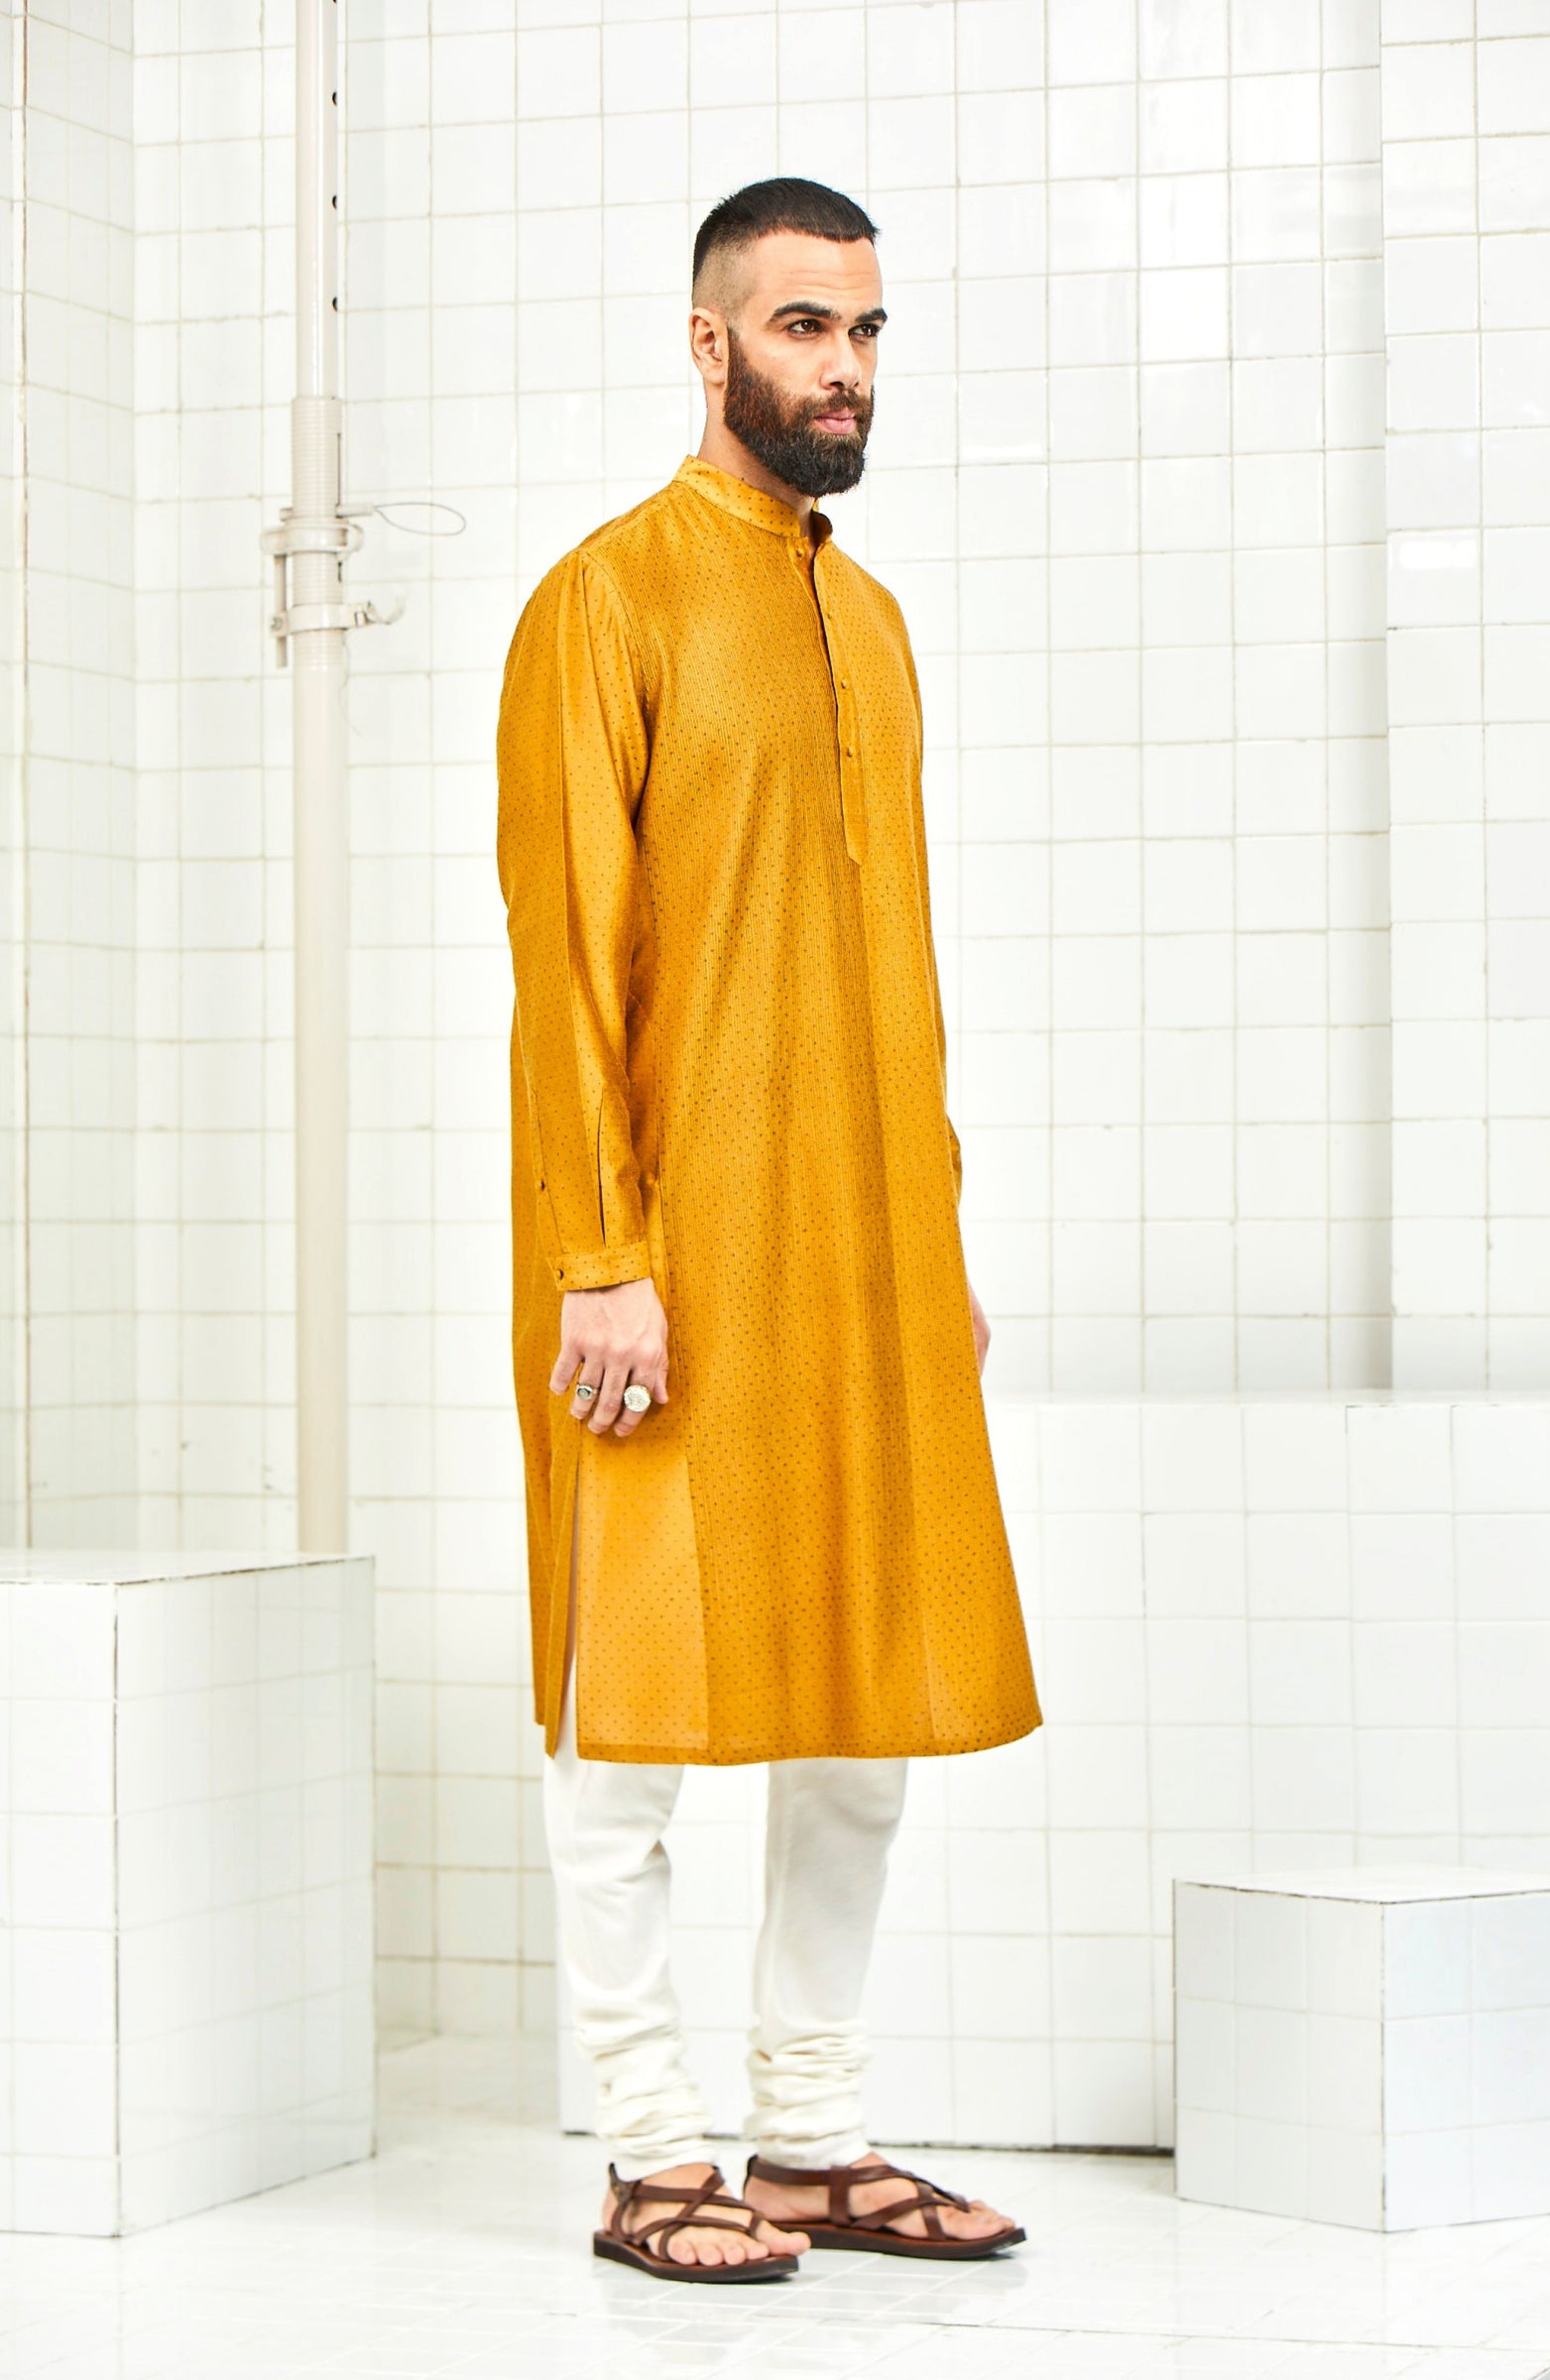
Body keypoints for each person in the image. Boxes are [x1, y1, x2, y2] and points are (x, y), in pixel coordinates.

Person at [496, 177, 1041, 2283]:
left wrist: (936, 1243)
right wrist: (602, 1258)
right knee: (626, 1732)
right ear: (710, 342)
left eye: (870, 330)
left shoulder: (872, 625)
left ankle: (809, 2137)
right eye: (807, 327)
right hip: (665, 1259)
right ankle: (653, 2155)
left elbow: (897, 971)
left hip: (866, 1248)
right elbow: (569, 963)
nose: (847, 368)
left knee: (860, 1709)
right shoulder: (603, 601)